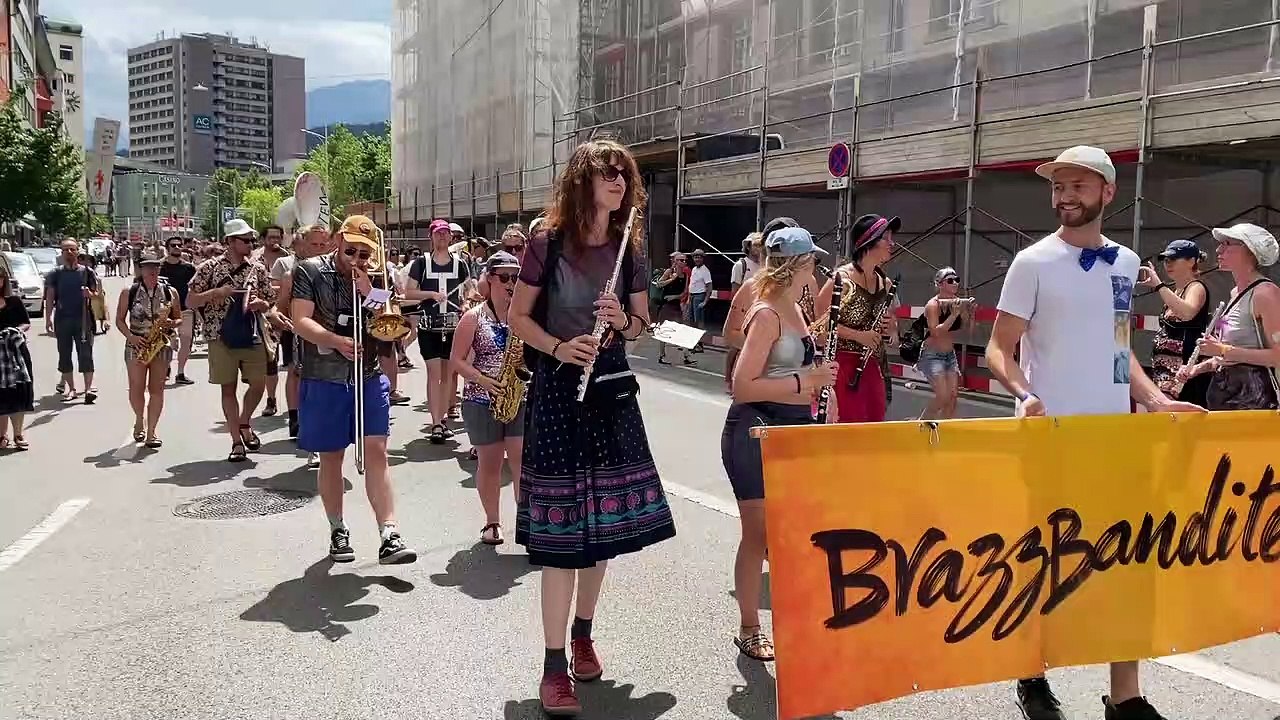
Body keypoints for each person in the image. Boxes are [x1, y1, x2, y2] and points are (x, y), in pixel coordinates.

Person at [985, 145, 1203, 720]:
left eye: (1077, 186)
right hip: (1048, 437)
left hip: (1113, 439)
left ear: (1107, 192)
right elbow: (998, 349)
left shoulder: (1125, 263)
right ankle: (1032, 676)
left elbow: (1116, 347)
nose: (1065, 196)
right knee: (1043, 560)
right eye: (1059, 186)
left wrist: (1156, 400)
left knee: (1126, 564)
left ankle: (1125, 695)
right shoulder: (1031, 262)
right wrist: (1024, 393)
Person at [509, 138, 676, 716]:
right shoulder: (547, 242)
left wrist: (622, 319)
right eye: (608, 172)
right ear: (583, 180)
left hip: (608, 390)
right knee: (561, 541)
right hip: (560, 391)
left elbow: (641, 326)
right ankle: (553, 666)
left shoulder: (630, 247)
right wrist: (559, 347)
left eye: (624, 174)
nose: (619, 181)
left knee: (600, 529)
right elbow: (518, 318)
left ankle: (584, 634)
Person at [721, 226, 835, 663]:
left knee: (790, 534)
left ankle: (793, 623)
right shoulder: (768, 313)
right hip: (755, 430)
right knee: (757, 535)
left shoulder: (794, 308)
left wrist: (822, 388)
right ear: (797, 265)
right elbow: (743, 385)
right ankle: (749, 628)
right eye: (812, 262)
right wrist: (805, 381)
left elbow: (800, 369)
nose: (817, 270)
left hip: (790, 428)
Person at [291, 214, 417, 565]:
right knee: (332, 457)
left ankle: (389, 533)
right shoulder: (310, 271)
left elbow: (388, 326)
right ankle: (338, 528)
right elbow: (300, 320)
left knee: (377, 451)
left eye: (364, 254)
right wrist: (335, 341)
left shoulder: (376, 277)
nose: (357, 259)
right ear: (337, 242)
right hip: (325, 377)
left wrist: (369, 293)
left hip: (368, 374)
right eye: (351, 251)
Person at [187, 219, 280, 462]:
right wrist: (215, 293)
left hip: (252, 333)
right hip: (220, 336)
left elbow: (271, 301)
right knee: (228, 389)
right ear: (230, 241)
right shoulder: (209, 267)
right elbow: (190, 300)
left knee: (259, 383)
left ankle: (244, 422)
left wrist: (262, 304)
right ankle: (236, 441)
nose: (250, 244)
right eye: (245, 240)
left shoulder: (257, 268)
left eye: (252, 240)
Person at [449, 251, 526, 545]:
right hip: (482, 399)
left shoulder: (524, 316)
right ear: (490, 279)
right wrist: (482, 379)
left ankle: (526, 523)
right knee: (491, 464)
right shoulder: (473, 317)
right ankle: (492, 521)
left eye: (515, 277)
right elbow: (456, 360)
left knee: (522, 462)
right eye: (504, 277)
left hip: (519, 397)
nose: (511, 284)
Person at [1175, 223, 1280, 409]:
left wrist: (1222, 350)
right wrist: (1197, 368)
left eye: (1228, 243)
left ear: (1250, 251)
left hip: (1254, 403)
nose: (1219, 249)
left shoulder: (1265, 293)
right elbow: (1231, 355)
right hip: (1228, 398)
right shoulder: (1235, 293)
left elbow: (1277, 356)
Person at [815, 214, 900, 423]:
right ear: (869, 242)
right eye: (886, 238)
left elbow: (893, 333)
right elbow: (818, 328)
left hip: (873, 366)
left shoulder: (886, 284)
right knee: (848, 426)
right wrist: (858, 335)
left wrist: (891, 329)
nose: (892, 243)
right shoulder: (841, 280)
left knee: (873, 425)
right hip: (842, 366)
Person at [404, 219, 471, 443]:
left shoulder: (460, 264)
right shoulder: (421, 263)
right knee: (434, 374)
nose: (442, 236)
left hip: (453, 326)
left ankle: (442, 420)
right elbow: (409, 293)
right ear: (431, 237)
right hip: (428, 325)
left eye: (445, 233)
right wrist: (431, 295)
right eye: (438, 233)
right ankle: (436, 423)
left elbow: (469, 291)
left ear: (451, 237)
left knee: (447, 375)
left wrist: (465, 304)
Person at [117, 247, 183, 447]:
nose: (152, 271)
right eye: (148, 268)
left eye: (155, 267)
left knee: (157, 389)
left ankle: (152, 431)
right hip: (136, 344)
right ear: (141, 270)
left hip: (161, 345)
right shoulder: (129, 292)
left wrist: (172, 323)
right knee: (136, 388)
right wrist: (131, 337)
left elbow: (179, 318)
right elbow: (119, 320)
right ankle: (139, 419)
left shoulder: (170, 292)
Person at [1138, 239, 1210, 406]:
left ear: (1191, 261)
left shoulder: (1196, 287)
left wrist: (1159, 285)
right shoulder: (1175, 291)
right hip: (1165, 374)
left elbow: (1187, 313)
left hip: (1185, 375)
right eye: (1166, 260)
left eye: (1174, 259)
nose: (1168, 263)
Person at [43, 238, 99, 403]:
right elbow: (50, 297)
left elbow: (97, 294)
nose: (69, 252)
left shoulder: (87, 272)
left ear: (77, 251)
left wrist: (90, 294)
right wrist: (48, 319)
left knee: (86, 354)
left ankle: (88, 389)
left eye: (72, 249)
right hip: (63, 319)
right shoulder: (55, 274)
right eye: (65, 249)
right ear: (61, 253)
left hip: (83, 319)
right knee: (65, 355)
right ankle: (72, 389)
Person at [918, 266, 973, 420]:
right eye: (950, 281)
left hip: (949, 354)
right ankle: (922, 423)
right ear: (940, 284)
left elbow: (966, 329)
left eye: (957, 280)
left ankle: (945, 428)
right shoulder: (933, 305)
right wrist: (953, 315)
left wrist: (968, 312)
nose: (955, 283)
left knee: (953, 396)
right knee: (943, 397)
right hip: (932, 355)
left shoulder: (957, 302)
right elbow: (935, 332)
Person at [0, 265, 33, 450]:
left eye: (0, 277)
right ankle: (1, 435)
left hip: (16, 352)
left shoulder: (14, 301)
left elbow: (25, 323)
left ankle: (18, 434)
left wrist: (15, 331)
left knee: (19, 392)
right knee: (1, 394)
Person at [159, 236, 198, 385]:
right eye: (173, 245)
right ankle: (166, 367)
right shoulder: (159, 267)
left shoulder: (189, 268)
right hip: (165, 311)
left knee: (186, 342)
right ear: (167, 248)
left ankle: (180, 373)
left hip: (186, 310)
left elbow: (195, 288)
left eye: (179, 245)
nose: (177, 248)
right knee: (165, 343)